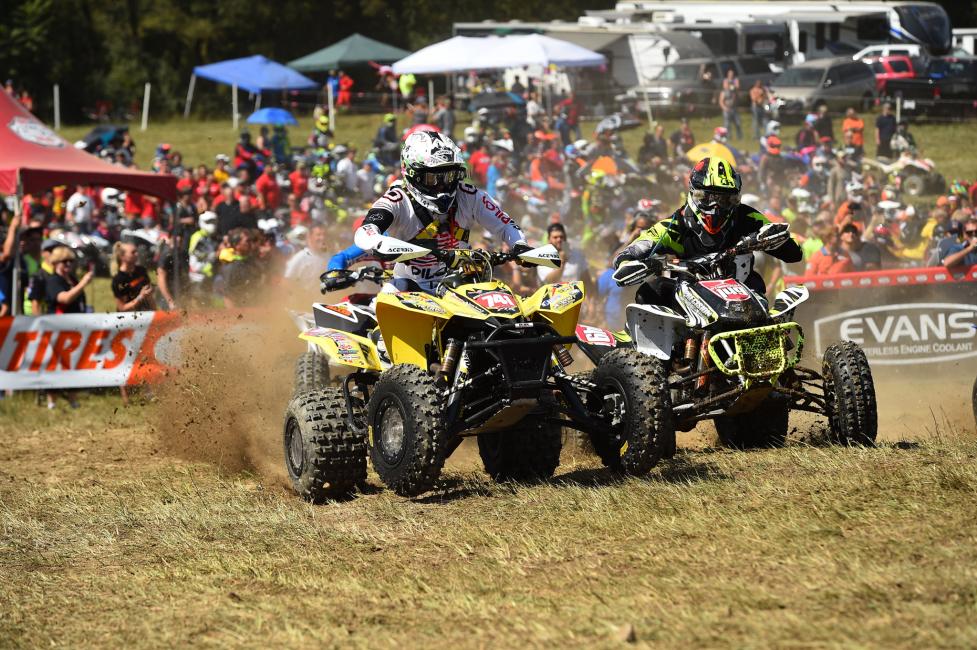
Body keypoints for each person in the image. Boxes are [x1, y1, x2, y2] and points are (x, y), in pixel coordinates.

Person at [353, 130, 529, 295]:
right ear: (413, 173)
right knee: (386, 303)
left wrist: (519, 245)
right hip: (410, 290)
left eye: (450, 176)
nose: (443, 185)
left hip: (461, 287)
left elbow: (504, 224)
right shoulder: (397, 199)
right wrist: (384, 245)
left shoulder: (469, 195)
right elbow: (364, 233)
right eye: (433, 178)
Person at [612, 157, 802, 307]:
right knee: (650, 292)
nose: (717, 206)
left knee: (763, 291)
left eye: (725, 199)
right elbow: (636, 248)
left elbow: (794, 254)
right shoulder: (674, 224)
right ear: (694, 193)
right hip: (688, 296)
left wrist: (773, 240)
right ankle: (648, 353)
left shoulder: (747, 216)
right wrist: (630, 263)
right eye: (709, 198)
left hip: (743, 291)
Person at [537, 222, 592, 289]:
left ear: (565, 238)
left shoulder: (577, 254)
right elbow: (550, 281)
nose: (559, 239)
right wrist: (562, 262)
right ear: (549, 240)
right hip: (554, 297)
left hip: (575, 295)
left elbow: (586, 278)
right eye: (555, 237)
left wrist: (589, 294)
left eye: (561, 237)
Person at [719, 69, 743, 140]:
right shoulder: (724, 92)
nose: (731, 75)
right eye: (730, 74)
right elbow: (721, 101)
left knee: (738, 123)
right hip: (727, 109)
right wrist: (724, 108)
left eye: (732, 74)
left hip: (734, 108)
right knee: (727, 124)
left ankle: (740, 137)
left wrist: (734, 87)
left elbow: (738, 87)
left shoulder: (735, 87)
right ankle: (728, 137)